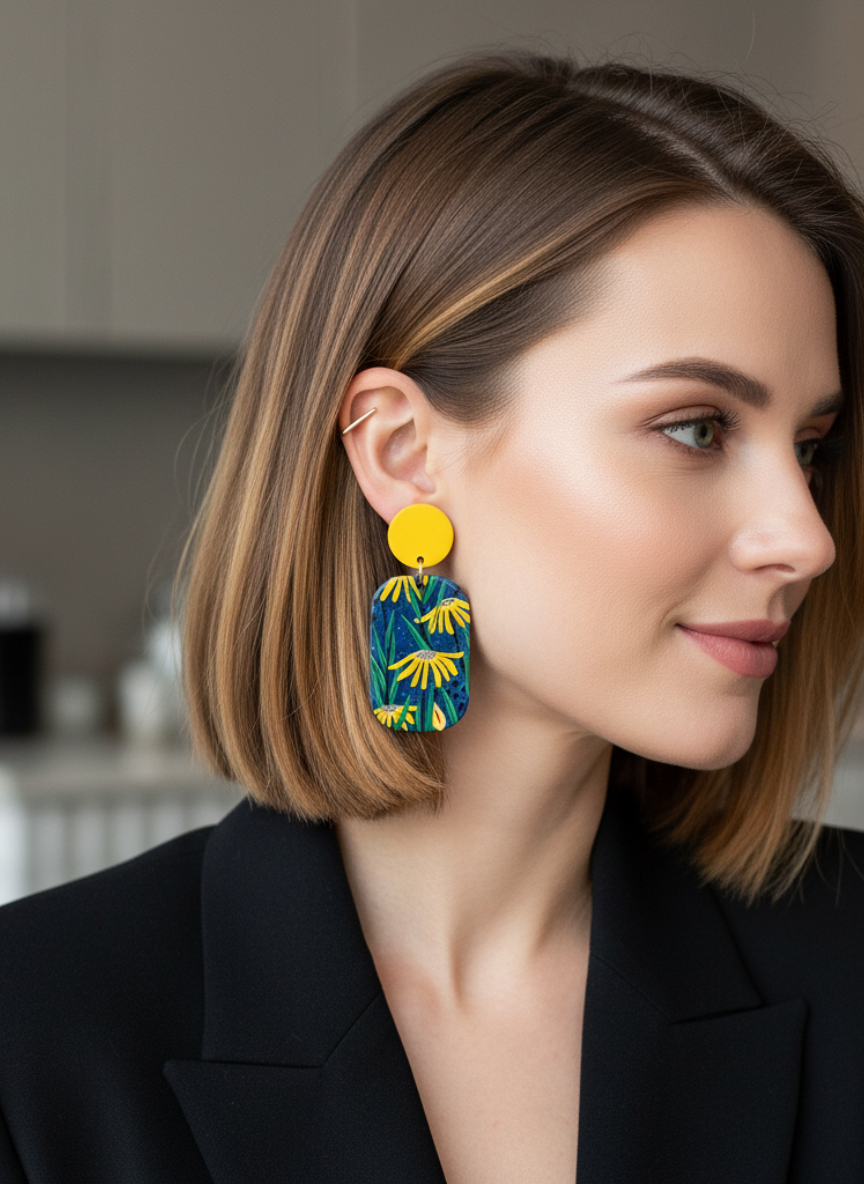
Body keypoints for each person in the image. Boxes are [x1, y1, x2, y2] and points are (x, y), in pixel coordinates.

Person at [0, 47, 863, 1184]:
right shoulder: (32, 1038)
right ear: (405, 454)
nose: (806, 536)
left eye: (811, 446)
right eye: (696, 428)